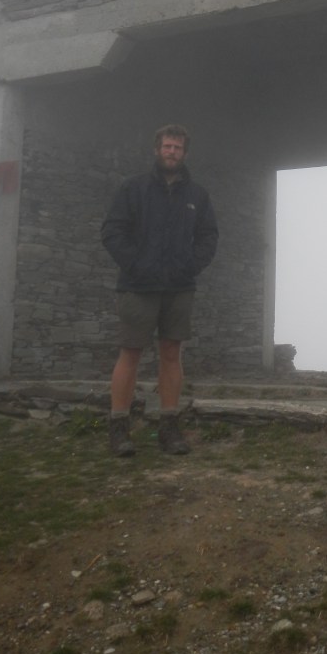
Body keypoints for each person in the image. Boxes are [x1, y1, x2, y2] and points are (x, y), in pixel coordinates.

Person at [101, 124, 218, 457]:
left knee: (171, 354)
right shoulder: (133, 189)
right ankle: (119, 429)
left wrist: (191, 266)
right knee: (131, 353)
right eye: (167, 146)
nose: (172, 152)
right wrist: (136, 265)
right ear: (157, 150)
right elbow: (112, 232)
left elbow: (209, 237)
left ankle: (169, 428)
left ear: (185, 153)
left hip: (179, 287)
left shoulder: (197, 195)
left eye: (178, 148)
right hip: (138, 286)